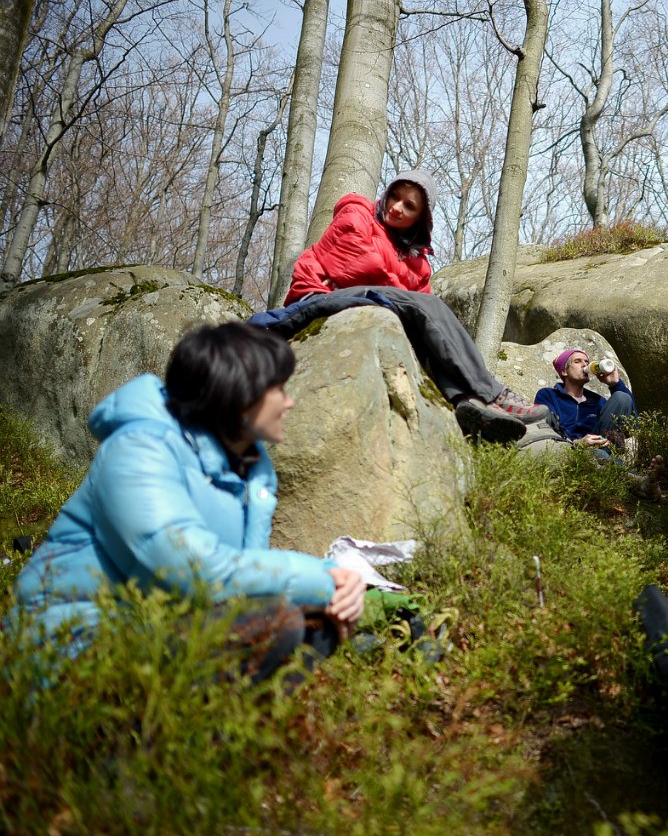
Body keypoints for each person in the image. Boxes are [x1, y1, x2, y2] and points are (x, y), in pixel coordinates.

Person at [14, 323, 365, 682]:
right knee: (278, 619)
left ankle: (216, 731)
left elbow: (239, 587)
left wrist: (341, 593)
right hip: (71, 646)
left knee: (317, 622)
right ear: (240, 394)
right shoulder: (140, 449)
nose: (289, 401)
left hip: (152, 630)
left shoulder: (248, 470)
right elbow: (191, 571)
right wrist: (326, 580)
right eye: (279, 388)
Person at [287, 170, 549, 444]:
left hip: (364, 301)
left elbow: (424, 315)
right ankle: (493, 393)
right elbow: (357, 267)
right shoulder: (356, 212)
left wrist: (408, 293)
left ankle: (467, 403)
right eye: (395, 197)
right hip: (318, 294)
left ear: (420, 219)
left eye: (408, 206)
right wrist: (405, 288)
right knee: (419, 306)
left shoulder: (418, 262)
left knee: (427, 330)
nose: (396, 208)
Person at [534, 349, 637, 451]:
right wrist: (576, 443)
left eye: (586, 362)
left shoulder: (598, 401)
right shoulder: (549, 395)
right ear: (564, 371)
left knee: (621, 397)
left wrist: (615, 384)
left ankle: (605, 459)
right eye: (577, 361)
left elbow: (633, 426)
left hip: (600, 449)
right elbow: (545, 429)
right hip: (566, 451)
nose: (584, 365)